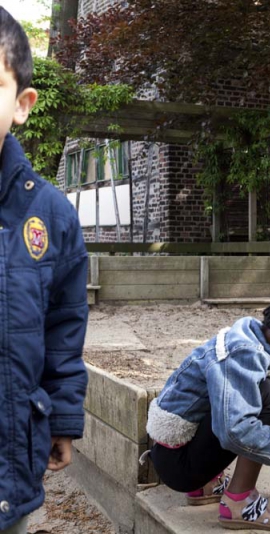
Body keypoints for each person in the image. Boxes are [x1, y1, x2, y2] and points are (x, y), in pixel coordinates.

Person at [0, 8, 90, 534]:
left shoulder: (52, 216)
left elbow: (63, 327)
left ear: (21, 104)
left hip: (10, 465)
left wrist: (61, 417)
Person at [146, 292, 270, 531]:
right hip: (180, 467)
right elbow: (234, 431)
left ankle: (206, 486)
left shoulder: (251, 337)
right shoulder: (241, 355)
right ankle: (240, 503)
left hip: (172, 456)